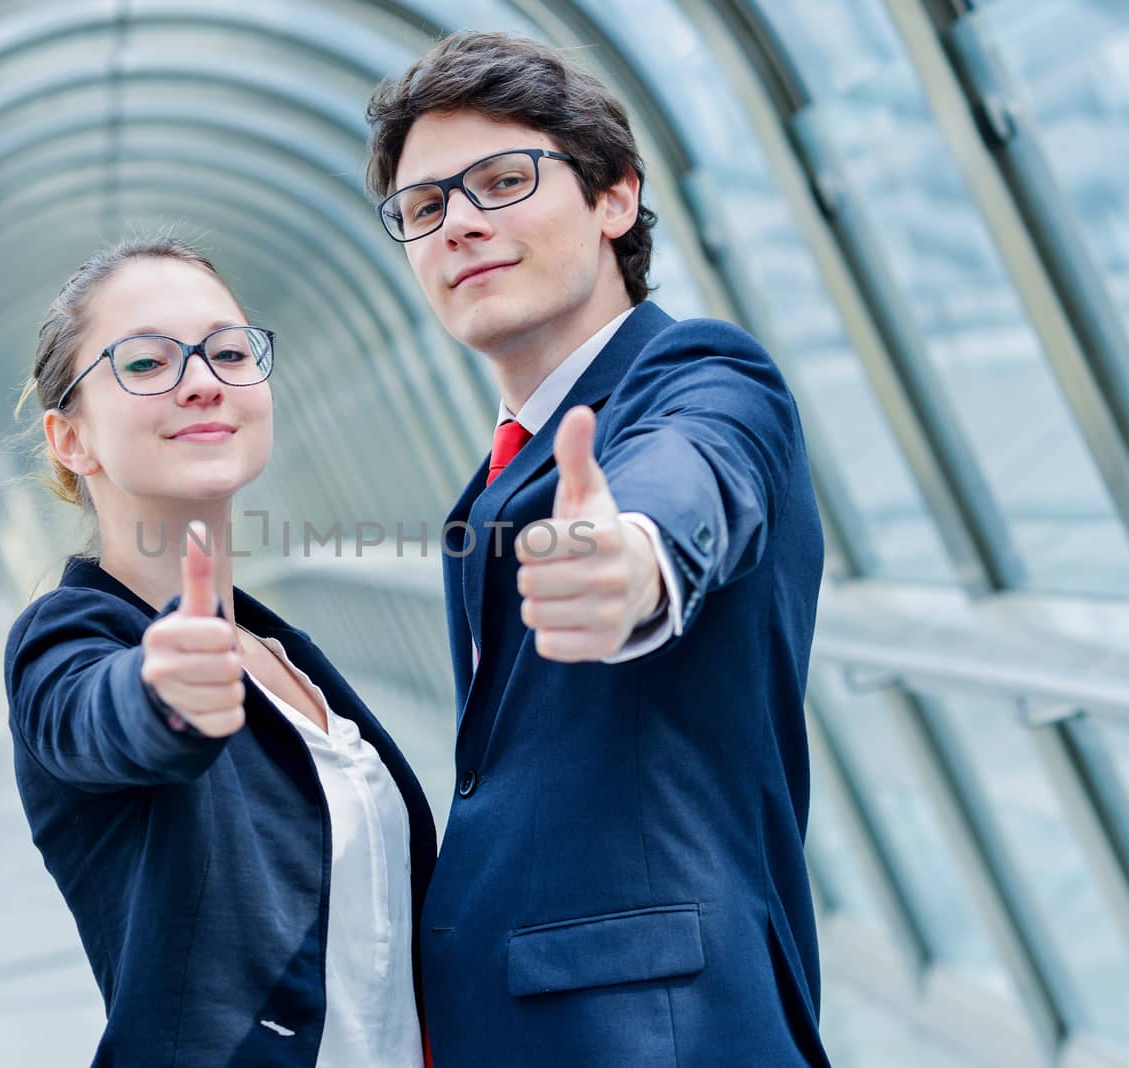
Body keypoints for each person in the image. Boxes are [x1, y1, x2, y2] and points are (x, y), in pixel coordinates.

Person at [364, 31, 830, 1067]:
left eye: (502, 180)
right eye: (425, 207)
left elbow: (690, 476)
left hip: (658, 1032)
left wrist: (630, 562)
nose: (460, 225)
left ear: (613, 197)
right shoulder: (494, 475)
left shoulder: (703, 374)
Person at [3, 235, 437, 1067]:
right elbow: (95, 713)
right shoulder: (68, 639)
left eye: (228, 351)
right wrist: (160, 693)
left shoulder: (284, 655)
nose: (203, 381)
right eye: (145, 363)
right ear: (70, 440)